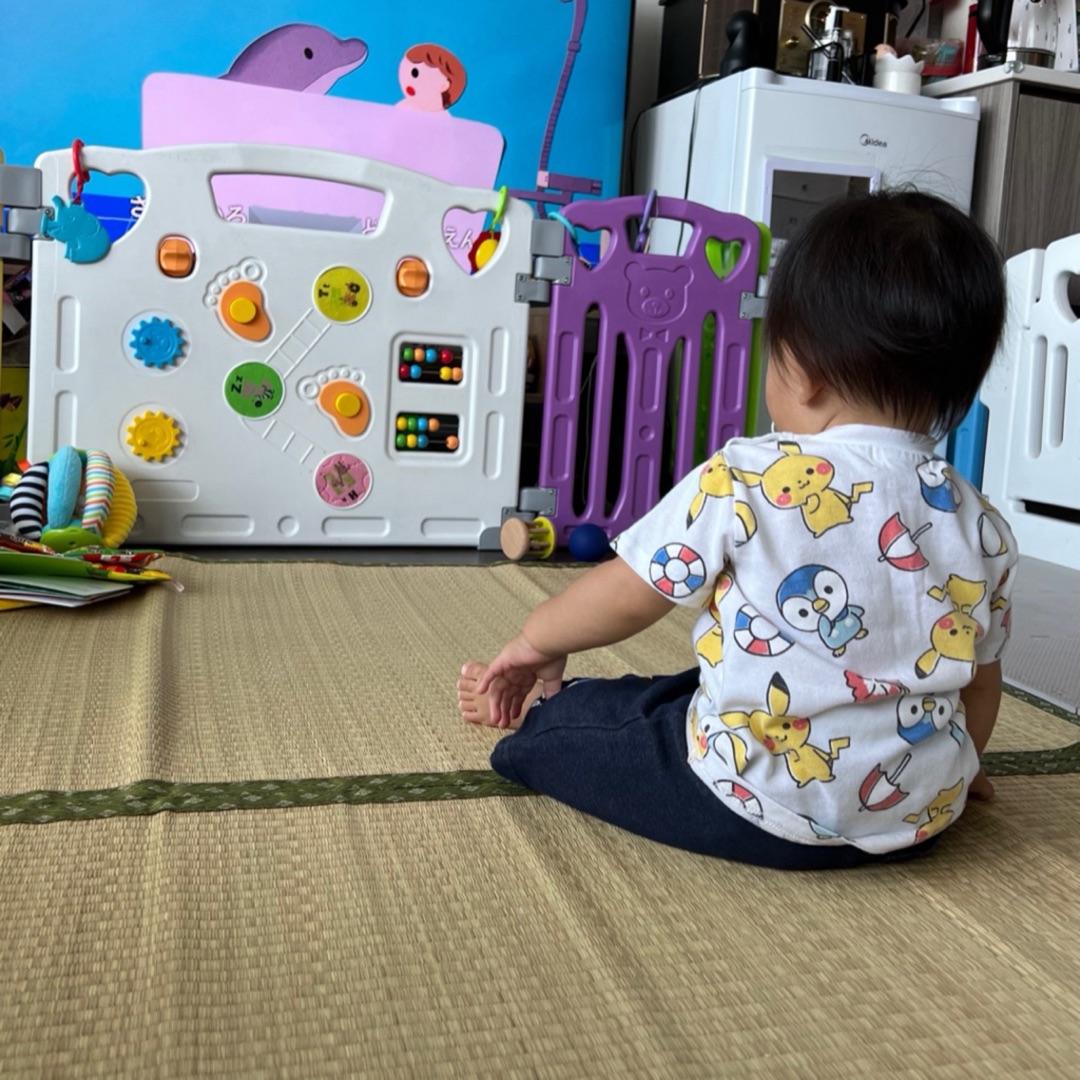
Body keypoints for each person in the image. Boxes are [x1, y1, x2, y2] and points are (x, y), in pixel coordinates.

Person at [457, 191, 1017, 870]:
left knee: (573, 734)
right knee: (692, 688)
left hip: (753, 805)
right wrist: (962, 771)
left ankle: (552, 716)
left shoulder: (749, 476)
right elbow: (979, 681)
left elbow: (630, 593)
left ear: (805, 375)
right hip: (915, 820)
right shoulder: (979, 523)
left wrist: (534, 642)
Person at [396, 43, 466, 113]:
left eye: (426, 81)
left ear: (445, 85)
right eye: (414, 73)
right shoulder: (402, 106)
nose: (412, 83)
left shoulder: (440, 116)